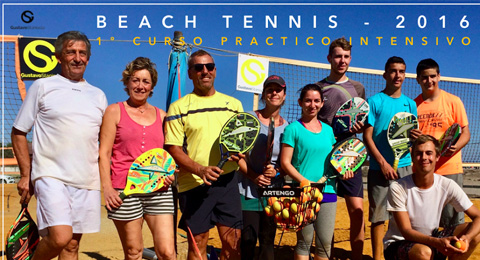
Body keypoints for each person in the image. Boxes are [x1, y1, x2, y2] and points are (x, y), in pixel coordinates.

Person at [11, 31, 107, 260]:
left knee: (72, 246)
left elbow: (107, 142)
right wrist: (26, 174)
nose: (77, 58)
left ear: (88, 58)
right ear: (58, 57)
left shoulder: (99, 96)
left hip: (87, 180)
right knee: (60, 237)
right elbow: (18, 131)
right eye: (70, 52)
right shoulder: (43, 86)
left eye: (82, 53)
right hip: (50, 176)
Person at [164, 50, 244, 260]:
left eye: (209, 66)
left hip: (227, 181)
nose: (205, 71)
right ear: (190, 73)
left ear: (215, 71)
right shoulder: (179, 107)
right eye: (198, 68)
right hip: (194, 183)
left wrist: (240, 153)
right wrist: (199, 169)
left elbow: (242, 142)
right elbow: (173, 148)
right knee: (198, 245)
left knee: (232, 243)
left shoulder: (233, 105)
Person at [98, 57, 176, 260]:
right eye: (135, 80)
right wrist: (107, 188)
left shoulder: (162, 116)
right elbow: (104, 153)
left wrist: (170, 174)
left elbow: (169, 155)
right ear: (127, 82)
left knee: (168, 252)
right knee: (134, 252)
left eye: (145, 81)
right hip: (124, 190)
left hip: (159, 190)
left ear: (152, 87)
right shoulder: (114, 111)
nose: (140, 86)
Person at [281, 84, 354, 260]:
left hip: (328, 191)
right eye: (308, 100)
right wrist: (303, 181)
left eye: (316, 101)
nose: (312, 105)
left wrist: (344, 171)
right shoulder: (293, 129)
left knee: (325, 243)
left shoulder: (329, 131)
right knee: (304, 242)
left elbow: (333, 162)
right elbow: (285, 162)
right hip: (303, 192)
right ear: (300, 102)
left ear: (322, 103)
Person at [383, 135, 480, 260]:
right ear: (412, 157)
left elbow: (478, 216)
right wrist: (436, 243)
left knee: (475, 234)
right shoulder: (398, 187)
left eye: (429, 153)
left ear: (437, 157)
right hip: (399, 243)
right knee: (424, 252)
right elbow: (406, 231)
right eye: (419, 153)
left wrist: (467, 238)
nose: (424, 157)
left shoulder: (446, 184)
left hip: (432, 239)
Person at [316, 37, 366, 260]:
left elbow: (361, 119)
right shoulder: (318, 88)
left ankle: (356, 257)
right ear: (329, 58)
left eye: (346, 57)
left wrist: (358, 125)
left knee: (357, 211)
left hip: (350, 154)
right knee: (325, 211)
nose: (342, 60)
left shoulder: (358, 88)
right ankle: (326, 255)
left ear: (350, 59)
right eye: (338, 56)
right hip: (324, 156)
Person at [363, 56, 418, 260]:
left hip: (405, 167)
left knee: (403, 216)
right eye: (393, 71)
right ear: (385, 74)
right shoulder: (375, 101)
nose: (398, 75)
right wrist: (382, 163)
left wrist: (416, 138)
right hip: (380, 168)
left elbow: (411, 138)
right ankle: (378, 257)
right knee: (378, 218)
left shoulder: (410, 104)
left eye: (402, 71)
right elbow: (367, 136)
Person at [414, 58, 471, 228]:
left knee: (452, 223)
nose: (429, 81)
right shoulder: (413, 105)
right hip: (423, 169)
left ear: (439, 76)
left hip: (449, 168)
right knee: (425, 221)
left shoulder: (453, 101)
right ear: (418, 79)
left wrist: (456, 147)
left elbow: (465, 132)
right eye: (424, 77)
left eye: (432, 76)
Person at [237, 75, 289, 260]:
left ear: (284, 95)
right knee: (248, 240)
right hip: (248, 189)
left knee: (267, 243)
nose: (274, 93)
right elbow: (238, 157)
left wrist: (277, 172)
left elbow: (288, 163)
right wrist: (254, 176)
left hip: (273, 191)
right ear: (263, 94)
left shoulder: (288, 127)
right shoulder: (249, 119)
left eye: (278, 90)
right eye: (270, 89)